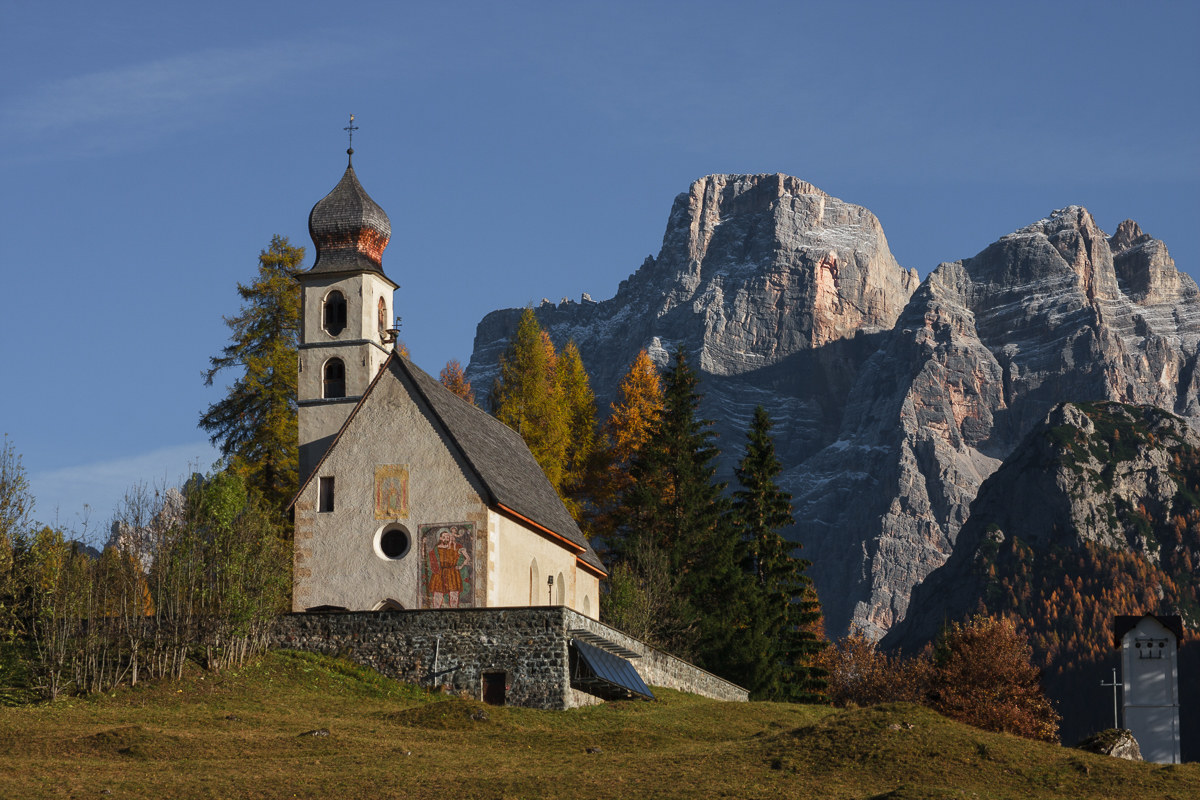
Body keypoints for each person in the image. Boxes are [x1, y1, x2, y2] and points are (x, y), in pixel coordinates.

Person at [428, 527, 470, 607]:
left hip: (452, 572)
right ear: (440, 538)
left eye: (447, 537)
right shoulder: (436, 549)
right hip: (439, 573)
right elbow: (432, 561)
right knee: (438, 594)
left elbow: (467, 558)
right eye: (444, 537)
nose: (446, 539)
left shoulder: (456, 547)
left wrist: (461, 566)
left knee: (454, 594)